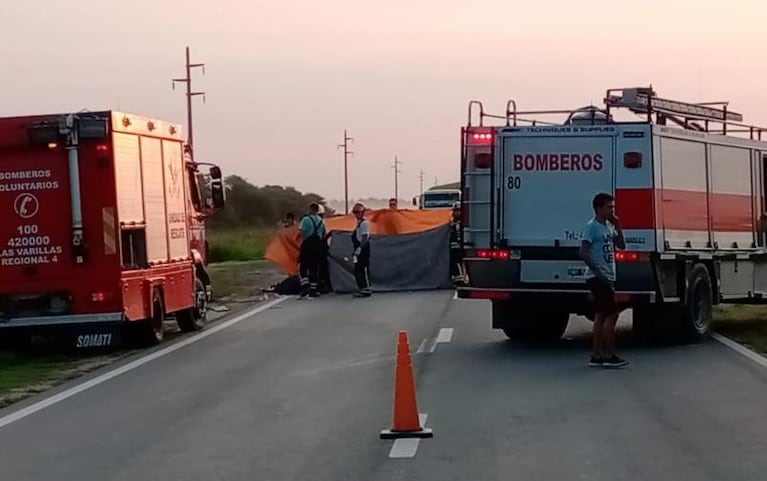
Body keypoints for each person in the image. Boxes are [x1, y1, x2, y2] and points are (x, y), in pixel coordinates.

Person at [580, 192, 628, 368]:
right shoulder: (591, 227)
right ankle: (608, 354)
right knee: (612, 314)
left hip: (608, 274)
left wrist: (618, 225)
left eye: (613, 207)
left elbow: (621, 245)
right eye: (609, 207)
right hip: (598, 277)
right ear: (599, 208)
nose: (612, 210)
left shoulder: (608, 226)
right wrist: (599, 273)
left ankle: (596, 355)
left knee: (600, 315)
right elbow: (583, 252)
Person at [298, 203, 326, 299]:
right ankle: (313, 290)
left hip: (307, 245)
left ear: (311, 209)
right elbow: (323, 234)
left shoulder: (305, 219)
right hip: (317, 246)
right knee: (314, 267)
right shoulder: (321, 221)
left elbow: (301, 232)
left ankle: (305, 286)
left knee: (302, 266)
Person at [351, 203, 372, 297]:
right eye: (355, 213)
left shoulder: (364, 223)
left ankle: (366, 288)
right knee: (358, 269)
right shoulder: (358, 223)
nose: (356, 215)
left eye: (358, 212)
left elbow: (365, 237)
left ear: (362, 213)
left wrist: (360, 248)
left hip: (363, 248)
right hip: (358, 247)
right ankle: (361, 288)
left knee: (362, 268)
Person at [449, 202, 465, 286]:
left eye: (458, 210)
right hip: (454, 247)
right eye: (455, 210)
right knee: (454, 263)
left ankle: (461, 279)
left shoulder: (462, 222)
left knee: (461, 263)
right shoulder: (451, 222)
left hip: (461, 247)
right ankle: (457, 279)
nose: (456, 212)